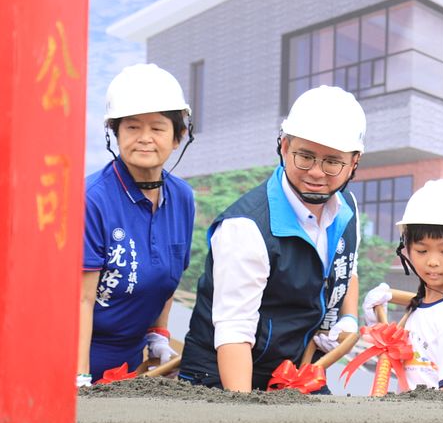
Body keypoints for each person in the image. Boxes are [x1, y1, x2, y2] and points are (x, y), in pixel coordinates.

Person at [179, 86, 365, 391]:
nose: (317, 172)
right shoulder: (247, 227)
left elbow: (348, 267)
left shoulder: (347, 209)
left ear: (354, 162)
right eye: (305, 156)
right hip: (223, 376)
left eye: (333, 162)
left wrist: (349, 318)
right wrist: (243, 416)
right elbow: (234, 334)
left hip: (293, 371)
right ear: (283, 145)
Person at [79, 64, 196, 386]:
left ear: (178, 137)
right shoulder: (91, 199)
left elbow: (168, 277)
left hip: (130, 362)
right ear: (115, 135)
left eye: (157, 128)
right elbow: (82, 300)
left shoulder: (182, 197)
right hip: (78, 356)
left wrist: (159, 335)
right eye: (132, 128)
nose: (145, 139)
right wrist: (80, 376)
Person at [360, 179, 443, 393]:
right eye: (422, 251)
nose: (432, 261)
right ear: (406, 250)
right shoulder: (424, 307)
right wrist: (377, 326)